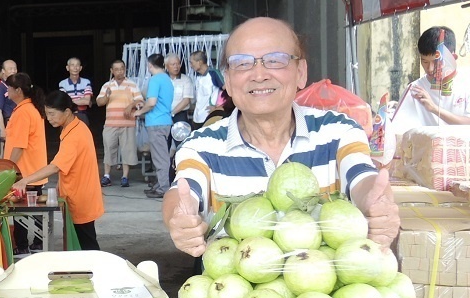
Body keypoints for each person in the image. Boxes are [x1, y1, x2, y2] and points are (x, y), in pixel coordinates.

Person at [164, 16, 399, 257]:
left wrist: (375, 202)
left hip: (325, 291)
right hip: (236, 288)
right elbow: (184, 193)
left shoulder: (338, 131)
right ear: (229, 82)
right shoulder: (201, 146)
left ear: (301, 72)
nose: (259, 74)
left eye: (275, 60)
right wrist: (180, 218)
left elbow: (362, 178)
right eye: (242, 63)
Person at [16, 91, 104, 250]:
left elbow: (55, 166)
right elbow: (69, 165)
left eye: (52, 114)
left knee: (87, 244)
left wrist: (25, 180)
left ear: (67, 112)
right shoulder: (74, 127)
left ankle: (95, 273)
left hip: (81, 196)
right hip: (77, 192)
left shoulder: (74, 135)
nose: (49, 118)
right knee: (82, 241)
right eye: (47, 114)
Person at [391, 25, 470, 131]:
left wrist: (434, 109)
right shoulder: (415, 89)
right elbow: (399, 130)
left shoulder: (466, 82)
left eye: (436, 61)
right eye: (425, 61)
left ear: (453, 57)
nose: (430, 68)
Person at [95, 60, 143, 188]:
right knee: (109, 148)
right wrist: (106, 96)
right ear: (112, 71)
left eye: (122, 68)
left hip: (128, 123)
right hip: (111, 123)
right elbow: (99, 102)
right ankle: (107, 176)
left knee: (127, 149)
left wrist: (131, 105)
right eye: (116, 69)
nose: (120, 71)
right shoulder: (107, 85)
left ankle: (125, 176)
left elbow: (140, 100)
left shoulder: (132, 84)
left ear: (125, 69)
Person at [133, 54, 173, 198]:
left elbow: (151, 102)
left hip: (156, 122)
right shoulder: (167, 79)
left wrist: (139, 112)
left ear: (150, 65)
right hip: (165, 120)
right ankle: (158, 184)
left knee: (160, 158)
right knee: (159, 156)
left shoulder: (155, 80)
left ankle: (163, 187)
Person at [3, 73, 48, 180]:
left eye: (9, 87)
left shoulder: (23, 112)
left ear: (18, 90)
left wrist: (7, 170)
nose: (7, 90)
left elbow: (19, 146)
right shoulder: (31, 107)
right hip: (31, 173)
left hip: (24, 174)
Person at [189, 50, 224, 127]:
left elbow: (228, 91)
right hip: (197, 117)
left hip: (209, 117)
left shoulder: (213, 73)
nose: (191, 66)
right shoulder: (198, 76)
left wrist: (219, 108)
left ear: (200, 62)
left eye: (192, 62)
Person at [58, 57, 92, 125]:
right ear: (67, 68)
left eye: (77, 65)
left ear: (80, 68)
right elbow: (64, 102)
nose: (75, 68)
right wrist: (81, 100)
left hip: (82, 114)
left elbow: (87, 101)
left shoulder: (86, 82)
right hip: (68, 116)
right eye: (72, 65)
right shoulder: (62, 84)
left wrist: (70, 100)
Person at [0, 59, 17, 151]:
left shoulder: (17, 86)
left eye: (15, 68)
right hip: (8, 122)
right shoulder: (0, 89)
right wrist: (2, 130)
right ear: (3, 71)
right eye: (10, 69)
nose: (13, 71)